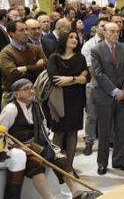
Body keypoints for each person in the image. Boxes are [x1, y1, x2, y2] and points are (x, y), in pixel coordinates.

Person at [0, 79, 95, 199]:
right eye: (26, 89)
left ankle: (77, 192)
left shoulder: (36, 106)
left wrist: (49, 147)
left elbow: (43, 128)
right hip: (20, 149)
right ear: (16, 94)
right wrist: (18, 148)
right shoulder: (11, 109)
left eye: (32, 87)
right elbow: (2, 134)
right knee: (35, 164)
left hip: (37, 145)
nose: (31, 91)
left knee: (62, 160)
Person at [91, 22, 124, 175]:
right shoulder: (97, 50)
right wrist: (115, 91)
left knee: (122, 130)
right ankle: (102, 163)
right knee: (104, 132)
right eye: (112, 31)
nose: (115, 34)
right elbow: (98, 74)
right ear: (105, 32)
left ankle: (119, 161)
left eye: (117, 31)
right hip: (105, 96)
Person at [46, 30, 88, 171]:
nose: (75, 39)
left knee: (72, 132)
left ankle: (69, 167)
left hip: (76, 98)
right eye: (71, 37)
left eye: (76, 37)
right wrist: (76, 79)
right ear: (63, 39)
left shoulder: (80, 58)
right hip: (58, 99)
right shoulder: (54, 58)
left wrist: (69, 79)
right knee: (59, 132)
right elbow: (55, 81)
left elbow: (84, 79)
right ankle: (57, 167)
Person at [0, 21, 47, 107]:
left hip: (35, 93)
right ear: (11, 34)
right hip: (14, 97)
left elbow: (45, 64)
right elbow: (13, 74)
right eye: (21, 30)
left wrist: (25, 68)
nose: (26, 33)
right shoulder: (6, 53)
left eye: (26, 29)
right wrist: (36, 66)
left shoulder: (35, 48)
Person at [80, 18, 108, 156]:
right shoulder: (88, 45)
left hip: (111, 85)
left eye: (106, 27)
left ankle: (108, 141)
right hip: (94, 84)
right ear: (96, 28)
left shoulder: (113, 44)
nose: (104, 29)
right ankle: (89, 141)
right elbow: (91, 69)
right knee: (92, 116)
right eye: (102, 26)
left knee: (109, 115)